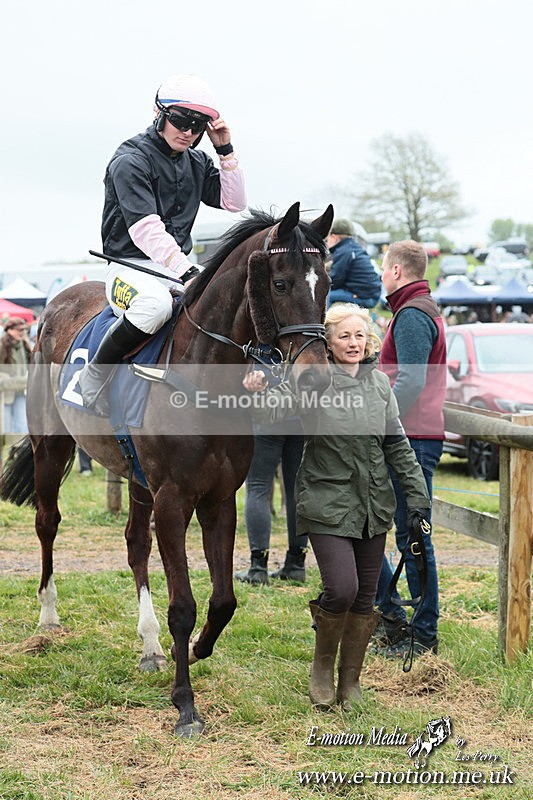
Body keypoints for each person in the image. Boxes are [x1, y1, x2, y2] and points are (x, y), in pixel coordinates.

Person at [242, 304, 429, 710]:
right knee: (342, 589)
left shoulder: (380, 385)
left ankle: (351, 682)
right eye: (344, 336)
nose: (353, 343)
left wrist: (418, 500)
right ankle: (322, 668)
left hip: (373, 503)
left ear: (369, 339)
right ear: (327, 341)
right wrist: (257, 391)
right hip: (326, 498)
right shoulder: (314, 382)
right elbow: (272, 411)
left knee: (364, 597)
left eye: (359, 335)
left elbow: (397, 445)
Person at [79, 73, 246, 416]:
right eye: (180, 120)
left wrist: (224, 149)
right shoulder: (130, 159)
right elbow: (145, 230)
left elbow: (235, 202)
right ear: (159, 113)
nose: (187, 131)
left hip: (175, 268)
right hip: (130, 267)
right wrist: (186, 271)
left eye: (198, 125)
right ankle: (94, 375)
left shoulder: (197, 161)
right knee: (154, 306)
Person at [374, 240, 447, 658]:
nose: (382, 275)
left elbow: (412, 382)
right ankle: (393, 616)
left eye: (384, 269)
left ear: (397, 271)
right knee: (393, 532)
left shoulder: (413, 315)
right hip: (411, 435)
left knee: (414, 538)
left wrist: (379, 424)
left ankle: (423, 633)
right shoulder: (415, 309)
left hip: (413, 439)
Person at [235, 424, 307, 586]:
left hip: (267, 417)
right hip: (300, 417)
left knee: (257, 486)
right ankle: (296, 564)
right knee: (296, 489)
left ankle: (258, 568)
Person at [326, 219, 382, 309]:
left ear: (334, 237)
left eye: (327, 239)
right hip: (372, 295)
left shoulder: (343, 251)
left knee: (327, 296)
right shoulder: (354, 248)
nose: (327, 242)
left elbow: (335, 281)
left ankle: (323, 322)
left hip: (364, 297)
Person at [0, 317, 31, 435]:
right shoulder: (1, 345)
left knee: (22, 426)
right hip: (4, 394)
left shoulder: (25, 345)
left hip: (20, 392)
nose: (22, 333)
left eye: (24, 330)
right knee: (5, 428)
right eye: (19, 330)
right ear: (10, 330)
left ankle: (18, 451)